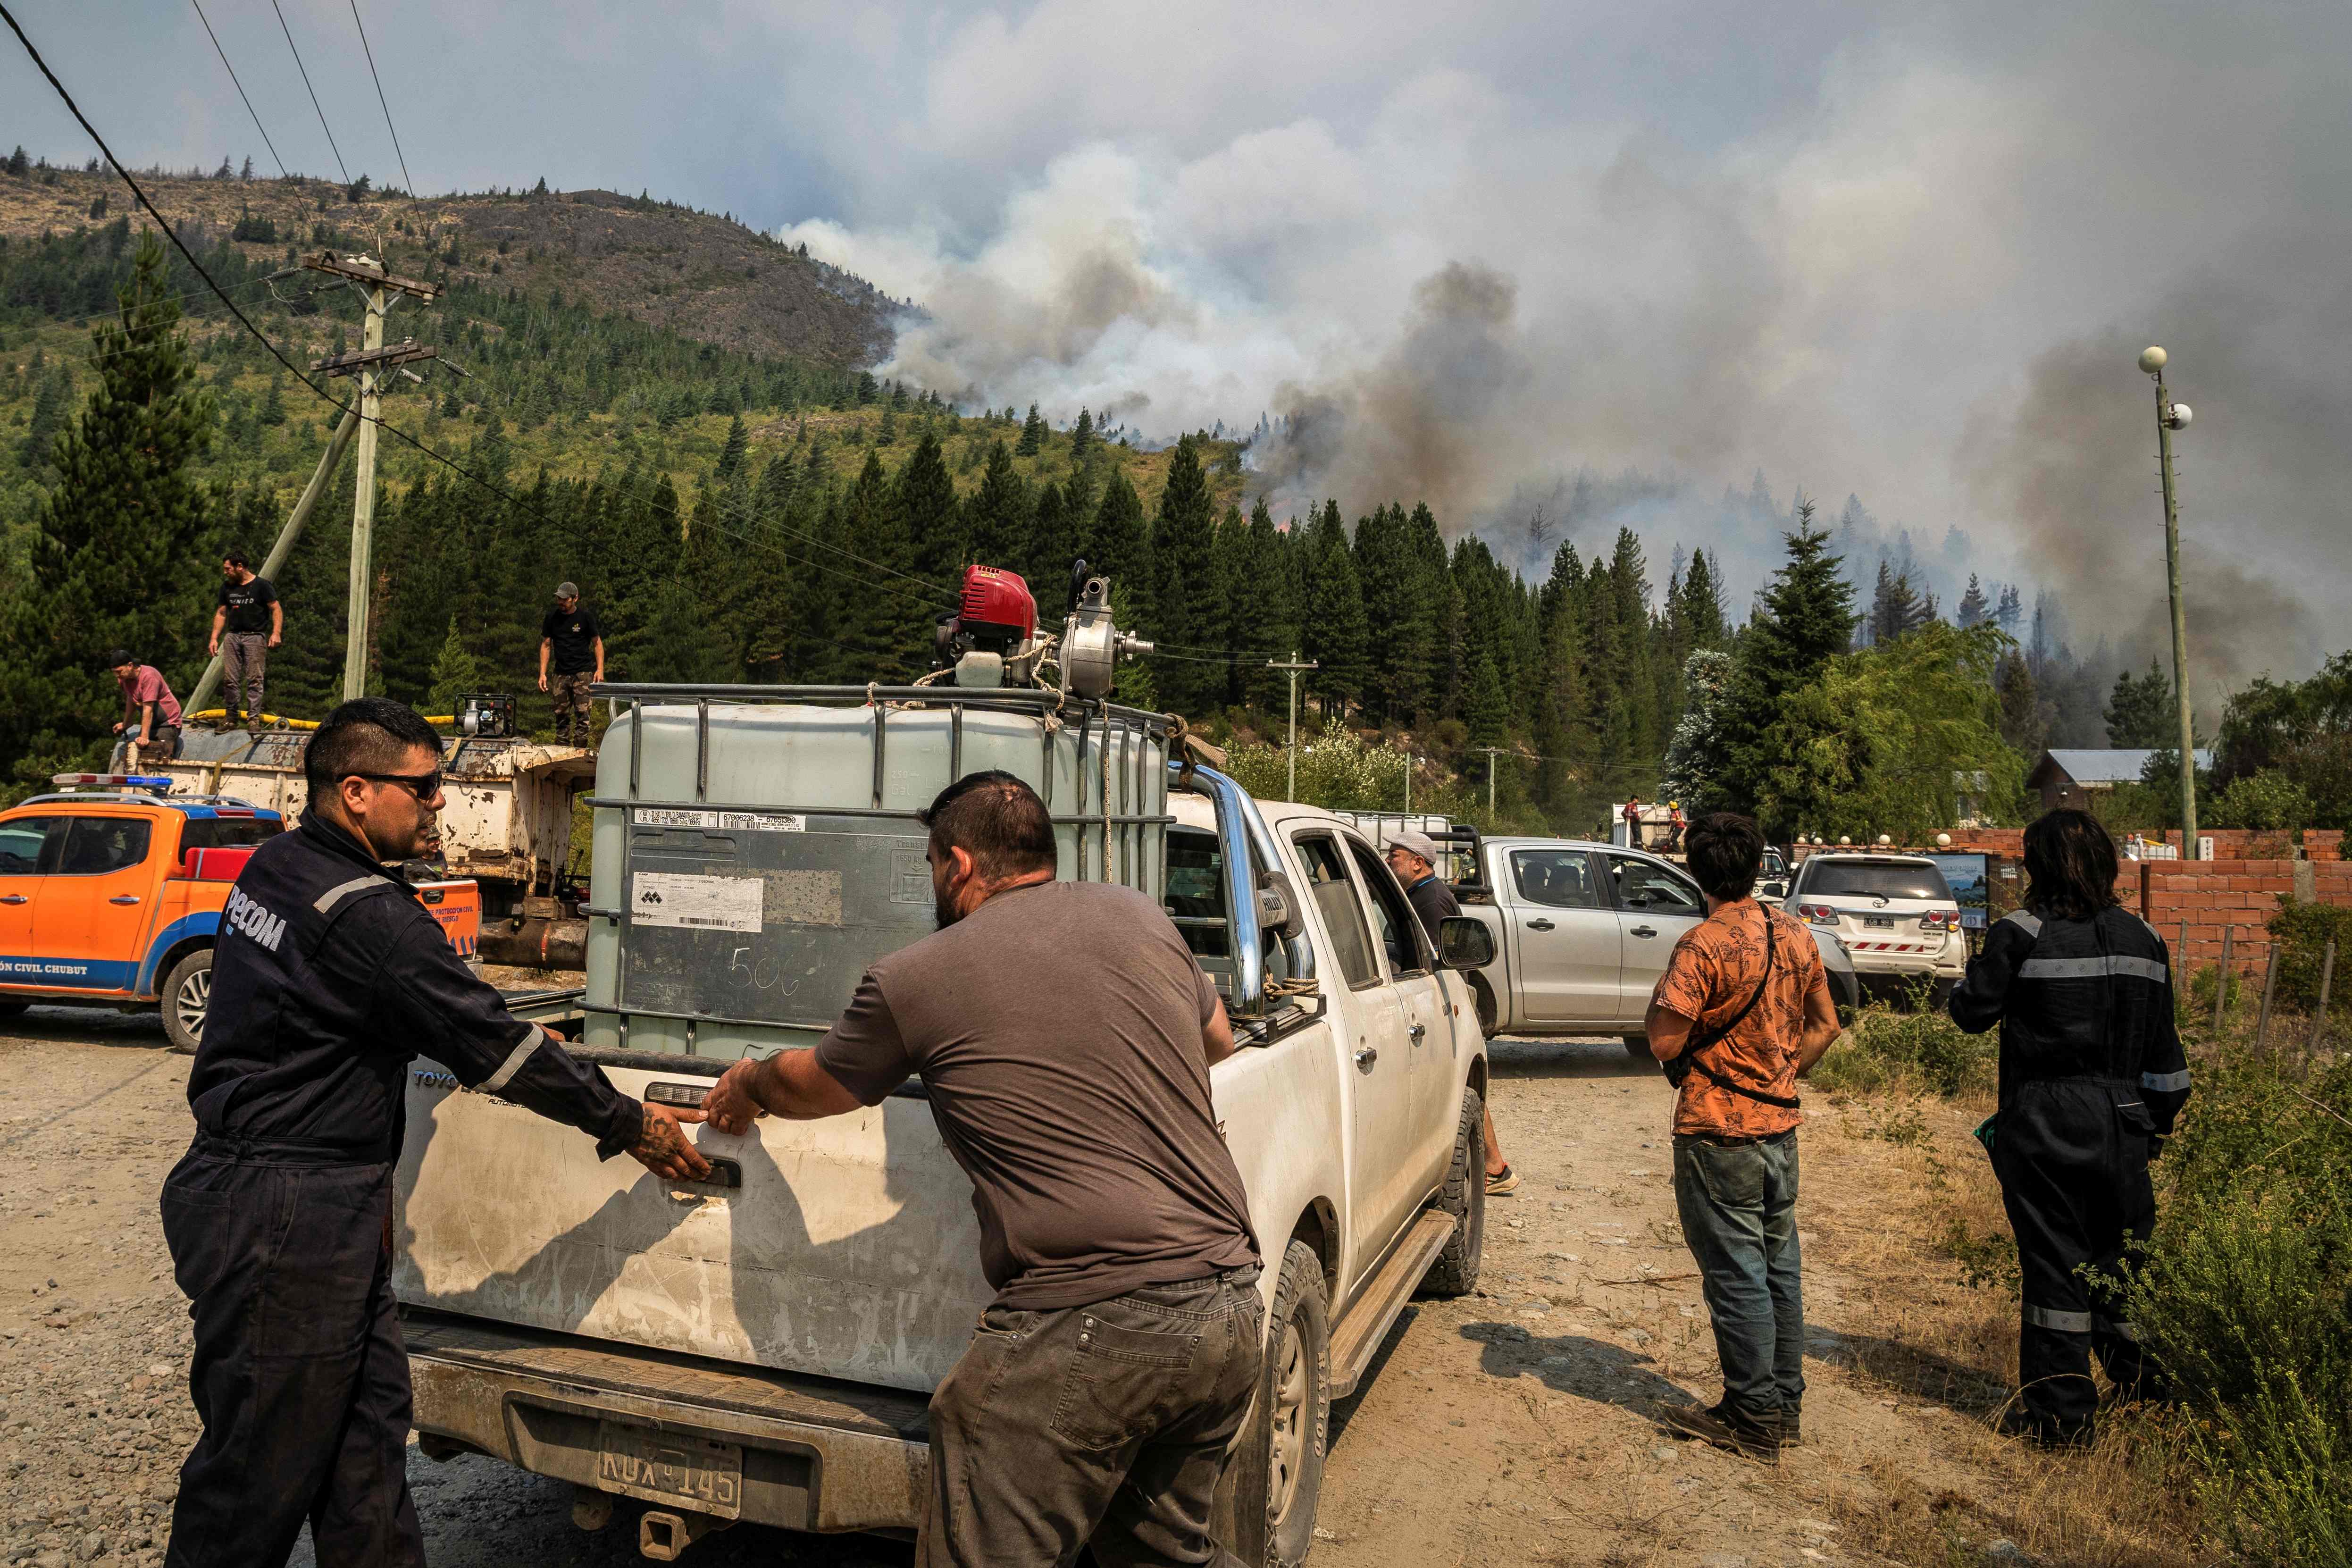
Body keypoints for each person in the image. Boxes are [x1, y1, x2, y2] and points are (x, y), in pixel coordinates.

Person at [159, 697, 709, 1568]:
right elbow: (499, 1047)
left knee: (366, 1459)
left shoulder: (277, 868)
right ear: (357, 791)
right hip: (286, 1218)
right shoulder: (375, 918)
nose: (441, 802)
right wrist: (629, 1119)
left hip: (290, 1202)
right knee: (252, 1480)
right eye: (424, 786)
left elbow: (330, 1007)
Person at [699, 771, 1264, 1567]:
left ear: (959, 863)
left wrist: (751, 1081)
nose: (931, 880)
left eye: (931, 863)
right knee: (1162, 1555)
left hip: (1095, 1322)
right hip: (1228, 1309)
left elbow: (815, 1087)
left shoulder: (917, 975)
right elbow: (1217, 1039)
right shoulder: (1141, 914)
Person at [1949, 808, 2187, 1448]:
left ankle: (2062, 1422)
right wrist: (2150, 1129)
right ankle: (2150, 1399)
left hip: (2046, 1123)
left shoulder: (2020, 933)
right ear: (2109, 866)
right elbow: (2167, 1062)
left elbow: (1969, 1013)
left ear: (2036, 866)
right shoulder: (2147, 938)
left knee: (2057, 1268)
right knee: (2123, 1266)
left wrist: (1971, 967)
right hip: (2126, 1126)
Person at [1645, 812, 1841, 1461]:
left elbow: (1665, 1039)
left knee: (1736, 1275)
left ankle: (1752, 1413)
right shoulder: (1794, 932)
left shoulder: (1702, 943)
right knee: (1779, 1267)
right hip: (1779, 1127)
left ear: (1696, 870)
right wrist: (1782, 1074)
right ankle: (1783, 1403)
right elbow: (1827, 1025)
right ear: (1757, 863)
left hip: (1717, 1131)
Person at [1386, 829, 1518, 1196]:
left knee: (1461, 1087)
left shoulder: (1429, 900)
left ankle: (1492, 1167)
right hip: (1442, 1002)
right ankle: (1495, 1167)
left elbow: (1428, 962)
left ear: (1417, 862)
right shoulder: (1420, 893)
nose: (1388, 861)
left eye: (1394, 855)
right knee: (1464, 1087)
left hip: (1439, 1004)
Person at [209, 548, 282, 726]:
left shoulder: (262, 586)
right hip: (233, 636)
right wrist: (214, 638)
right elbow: (221, 613)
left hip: (255, 637)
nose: (226, 572)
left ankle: (253, 719)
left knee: (255, 679)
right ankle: (231, 718)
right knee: (230, 680)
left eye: (228, 569)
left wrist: (276, 633)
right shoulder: (227, 587)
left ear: (240, 567)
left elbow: (276, 609)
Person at [537, 581, 604, 748]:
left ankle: (580, 751)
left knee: (583, 715)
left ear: (575, 598)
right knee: (561, 715)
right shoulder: (552, 617)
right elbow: (546, 645)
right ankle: (562, 750)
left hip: (583, 673)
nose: (561, 602)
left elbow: (597, 644)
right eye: (559, 599)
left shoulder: (585, 618)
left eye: (565, 600)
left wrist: (600, 669)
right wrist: (542, 673)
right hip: (561, 673)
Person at [108, 649, 183, 766]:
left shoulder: (149, 677)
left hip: (167, 723)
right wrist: (126, 724)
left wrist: (144, 737)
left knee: (162, 756)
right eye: (114, 673)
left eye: (119, 671)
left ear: (130, 666)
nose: (117, 676)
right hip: (152, 724)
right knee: (133, 754)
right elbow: (131, 699)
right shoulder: (124, 680)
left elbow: (148, 709)